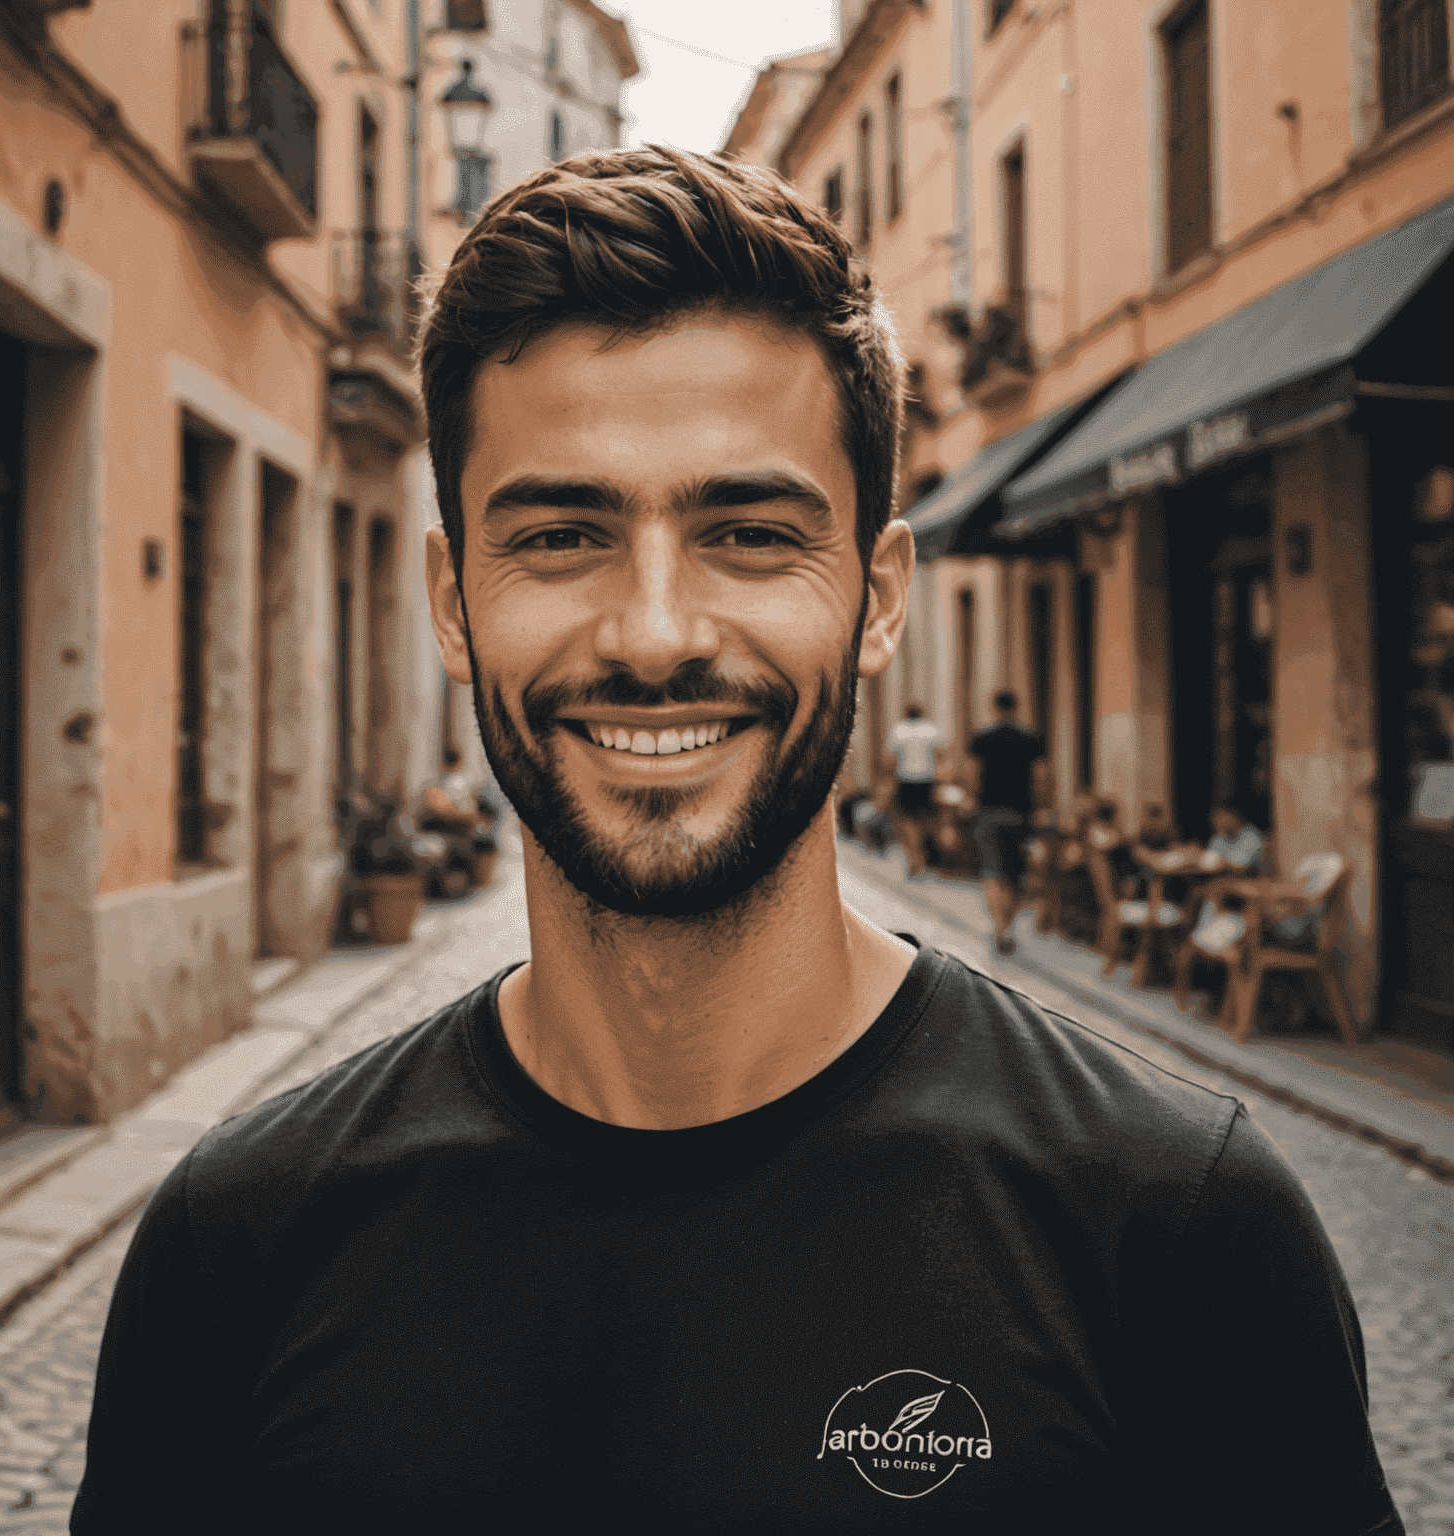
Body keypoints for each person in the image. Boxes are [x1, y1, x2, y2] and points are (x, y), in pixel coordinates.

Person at [72, 149, 1402, 1535]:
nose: (655, 634)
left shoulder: (1172, 1230)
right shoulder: (238, 1249)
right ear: (452, 600)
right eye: (563, 534)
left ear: (877, 599)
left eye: (752, 533)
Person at [966, 689, 1049, 955]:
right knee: (1015, 876)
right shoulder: (1030, 738)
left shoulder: (982, 738)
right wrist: (1042, 806)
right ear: (1016, 707)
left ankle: (1000, 928)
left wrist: (972, 799)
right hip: (1020, 815)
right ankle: (1008, 928)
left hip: (989, 812)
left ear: (994, 707)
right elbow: (1042, 777)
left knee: (992, 873)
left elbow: (971, 774)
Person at [887, 702, 942, 875]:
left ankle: (914, 857)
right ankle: (924, 857)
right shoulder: (930, 729)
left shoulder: (899, 730)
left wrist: (888, 780)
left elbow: (891, 759)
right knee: (927, 820)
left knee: (907, 821)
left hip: (906, 780)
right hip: (927, 780)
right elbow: (940, 754)